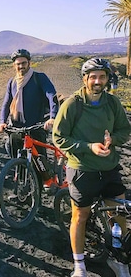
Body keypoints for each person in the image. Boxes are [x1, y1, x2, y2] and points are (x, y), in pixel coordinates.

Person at [52, 58, 131, 277]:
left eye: (102, 77)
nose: (98, 81)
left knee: (119, 214)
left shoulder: (113, 103)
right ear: (85, 78)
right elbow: (58, 137)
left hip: (108, 167)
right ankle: (79, 265)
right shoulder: (72, 104)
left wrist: (112, 140)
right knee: (81, 215)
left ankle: (119, 260)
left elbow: (124, 130)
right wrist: (88, 147)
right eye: (93, 77)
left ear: (107, 79)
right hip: (82, 168)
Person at [0, 49, 58, 159]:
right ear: (14, 65)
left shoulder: (39, 78)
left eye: (23, 63)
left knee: (40, 161)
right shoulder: (12, 82)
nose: (21, 66)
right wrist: (2, 122)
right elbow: (6, 103)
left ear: (29, 63)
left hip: (36, 127)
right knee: (12, 152)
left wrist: (53, 117)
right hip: (16, 127)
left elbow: (51, 95)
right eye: (18, 64)